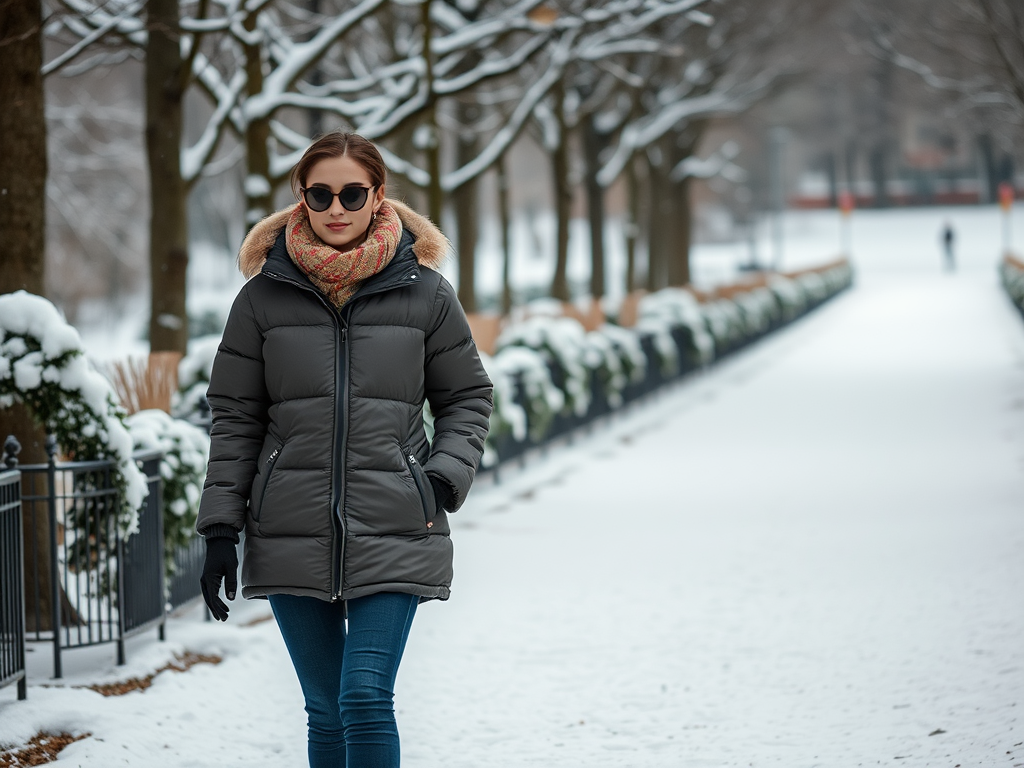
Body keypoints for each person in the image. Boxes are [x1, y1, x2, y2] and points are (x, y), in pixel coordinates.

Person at [195, 131, 493, 768]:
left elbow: (467, 396)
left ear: (377, 195)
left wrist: (439, 478)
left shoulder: (428, 295)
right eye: (319, 193)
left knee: (363, 696)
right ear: (301, 198)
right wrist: (221, 525)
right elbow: (235, 417)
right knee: (326, 708)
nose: (336, 207)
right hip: (288, 527)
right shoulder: (260, 301)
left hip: (396, 523)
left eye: (351, 193)